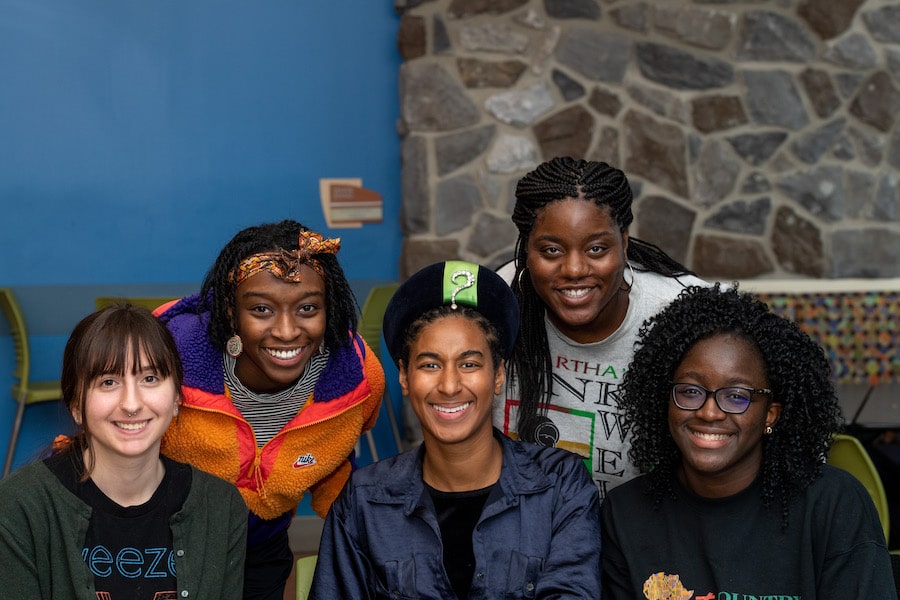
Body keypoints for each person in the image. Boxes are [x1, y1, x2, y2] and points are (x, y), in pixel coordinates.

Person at [310, 260, 602, 599]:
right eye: (430, 364)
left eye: (469, 364)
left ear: (498, 375)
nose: (449, 386)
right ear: (405, 376)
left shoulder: (560, 486)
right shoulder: (363, 500)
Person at [601, 284, 897, 598]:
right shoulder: (626, 513)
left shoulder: (831, 504)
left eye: (737, 396)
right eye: (690, 391)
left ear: (770, 415)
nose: (709, 412)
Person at [156, 219, 384, 600]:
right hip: (161, 550)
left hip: (262, 549)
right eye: (261, 309)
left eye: (308, 307)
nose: (286, 331)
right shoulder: (168, 365)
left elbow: (337, 464)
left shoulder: (357, 380)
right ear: (230, 311)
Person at [493, 156, 708, 500]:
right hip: (530, 535)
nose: (575, 269)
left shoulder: (687, 312)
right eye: (551, 250)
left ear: (623, 243)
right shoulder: (497, 304)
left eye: (596, 248)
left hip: (651, 539)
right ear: (526, 249)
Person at [0, 303, 247, 599]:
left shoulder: (220, 507)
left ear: (177, 398)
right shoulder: (20, 506)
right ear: (76, 405)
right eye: (108, 382)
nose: (131, 404)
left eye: (150, 379)